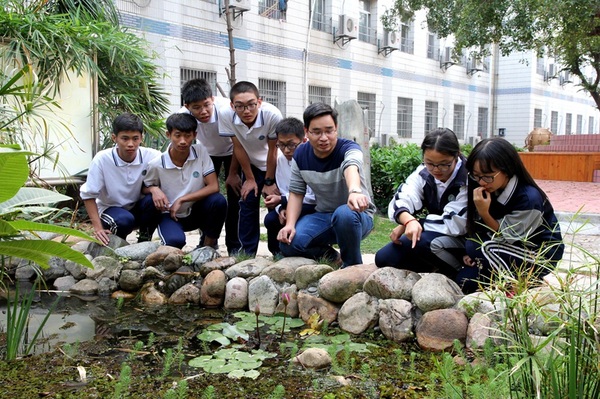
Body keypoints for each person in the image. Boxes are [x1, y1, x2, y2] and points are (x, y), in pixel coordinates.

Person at [459, 137, 564, 293]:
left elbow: (508, 234)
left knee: (482, 247)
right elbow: (478, 229)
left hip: (537, 253)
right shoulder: (489, 187)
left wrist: (483, 212)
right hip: (505, 250)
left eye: (487, 176)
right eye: (476, 175)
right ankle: (501, 277)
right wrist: (469, 254)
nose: (481, 182)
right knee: (464, 281)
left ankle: (523, 282)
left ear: (507, 169)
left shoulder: (528, 198)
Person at [277, 103, 375, 267]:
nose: (324, 137)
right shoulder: (300, 154)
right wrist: (290, 225)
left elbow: (351, 166)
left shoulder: (349, 148)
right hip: (324, 215)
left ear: (336, 128)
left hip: (357, 215)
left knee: (344, 214)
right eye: (317, 132)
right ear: (306, 132)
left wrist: (354, 191)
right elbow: (296, 193)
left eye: (329, 131)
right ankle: (332, 258)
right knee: (289, 243)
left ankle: (352, 267)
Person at [375, 128, 468, 279]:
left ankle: (455, 275)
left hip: (463, 238)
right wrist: (407, 220)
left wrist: (415, 223)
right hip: (432, 233)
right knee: (384, 258)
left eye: (444, 164)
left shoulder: (468, 177)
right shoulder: (423, 173)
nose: (436, 170)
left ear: (457, 155)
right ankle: (435, 269)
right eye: (430, 163)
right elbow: (401, 198)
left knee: (422, 242)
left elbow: (455, 223)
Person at [143, 113, 227, 249]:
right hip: (169, 214)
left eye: (187, 136)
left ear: (194, 135)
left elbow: (213, 186)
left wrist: (182, 199)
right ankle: (145, 238)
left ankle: (207, 248)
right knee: (175, 243)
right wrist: (154, 189)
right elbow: (144, 187)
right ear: (168, 135)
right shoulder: (156, 163)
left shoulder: (200, 152)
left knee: (218, 201)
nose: (183, 141)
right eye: (177, 135)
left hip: (195, 211)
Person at [219, 81, 283, 256]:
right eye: (240, 106)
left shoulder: (272, 115)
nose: (246, 111)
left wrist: (269, 181)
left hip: (276, 165)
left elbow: (273, 150)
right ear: (232, 106)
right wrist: (250, 178)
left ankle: (278, 251)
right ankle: (247, 253)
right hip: (251, 165)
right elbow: (238, 147)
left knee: (275, 206)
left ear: (259, 102)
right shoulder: (225, 115)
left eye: (251, 105)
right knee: (247, 205)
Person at [179, 78, 241, 255]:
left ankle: (234, 246)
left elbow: (239, 144)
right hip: (207, 155)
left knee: (235, 200)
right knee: (207, 198)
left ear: (212, 98)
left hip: (232, 151)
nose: (203, 111)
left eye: (206, 105)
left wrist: (233, 173)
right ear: (187, 106)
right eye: (196, 108)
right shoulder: (183, 116)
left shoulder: (226, 111)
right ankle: (207, 240)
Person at [80, 112, 161, 246]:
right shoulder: (102, 159)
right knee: (123, 221)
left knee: (154, 201)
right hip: (111, 209)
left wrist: (154, 189)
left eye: (135, 138)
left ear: (142, 138)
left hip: (136, 207)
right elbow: (88, 195)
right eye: (125, 138)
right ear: (114, 138)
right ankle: (118, 245)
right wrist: (98, 228)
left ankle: (144, 242)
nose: (130, 144)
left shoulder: (152, 156)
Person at [263, 117, 316, 257]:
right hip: (291, 203)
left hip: (311, 206)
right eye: (281, 145)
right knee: (271, 220)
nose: (286, 150)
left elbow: (313, 196)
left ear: (303, 140)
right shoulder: (281, 161)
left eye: (291, 145)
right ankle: (278, 253)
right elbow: (283, 189)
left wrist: (283, 201)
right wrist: (282, 208)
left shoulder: (311, 159)